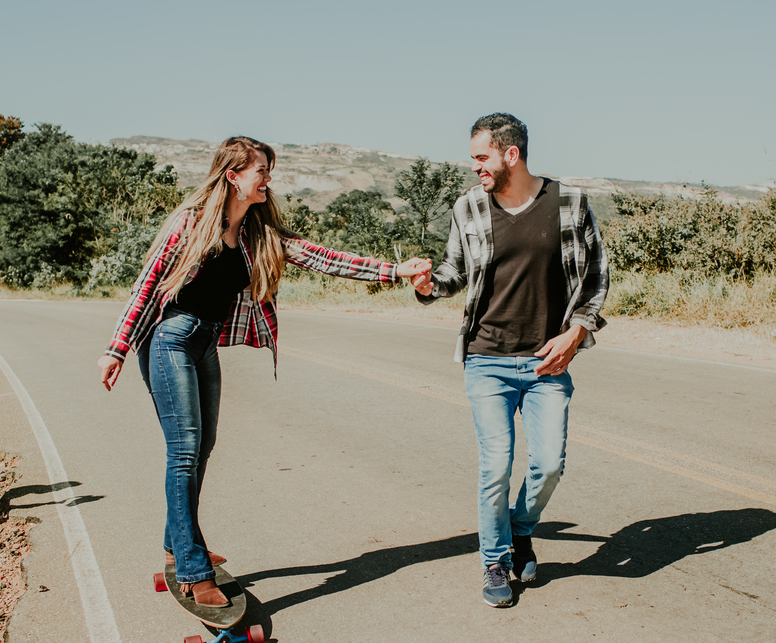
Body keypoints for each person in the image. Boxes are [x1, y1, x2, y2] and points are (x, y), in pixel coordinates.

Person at [98, 136, 428, 608]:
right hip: (168, 339)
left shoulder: (256, 231)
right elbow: (147, 285)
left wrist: (394, 271)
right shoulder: (191, 223)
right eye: (261, 172)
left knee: (203, 446)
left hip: (203, 341)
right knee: (185, 450)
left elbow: (321, 257)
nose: (268, 181)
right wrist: (117, 348)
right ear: (233, 176)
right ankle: (192, 570)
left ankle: (178, 542)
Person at [413, 113, 609, 607]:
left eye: (481, 157)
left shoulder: (568, 202)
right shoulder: (468, 207)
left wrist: (577, 333)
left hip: (547, 363)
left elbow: (596, 278)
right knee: (495, 466)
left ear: (510, 154)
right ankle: (495, 560)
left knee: (548, 465)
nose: (475, 166)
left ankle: (521, 529)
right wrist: (428, 286)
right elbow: (454, 271)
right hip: (487, 358)